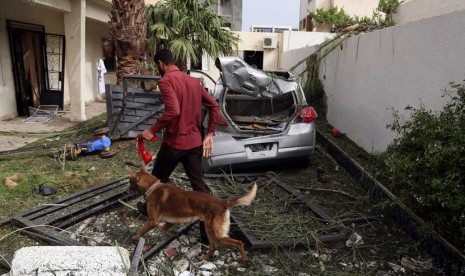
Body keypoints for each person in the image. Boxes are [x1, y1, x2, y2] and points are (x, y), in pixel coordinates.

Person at [138, 48, 224, 243]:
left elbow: (173, 110)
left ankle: (149, 211)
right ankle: (206, 236)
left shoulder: (166, 81)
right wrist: (209, 133)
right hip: (194, 143)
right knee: (199, 188)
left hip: (175, 144)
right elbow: (214, 106)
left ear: (160, 64)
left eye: (157, 66)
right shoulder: (193, 81)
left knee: (156, 180)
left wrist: (152, 129)